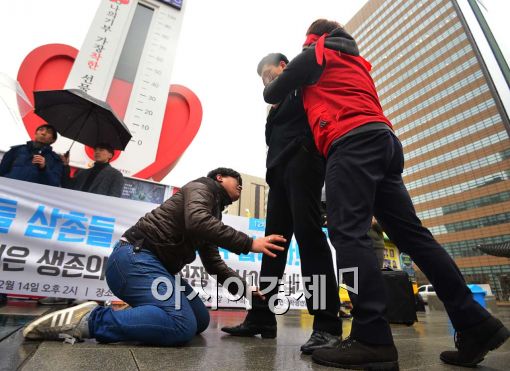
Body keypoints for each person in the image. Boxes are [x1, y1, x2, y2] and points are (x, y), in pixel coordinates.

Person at [263, 19, 509, 370]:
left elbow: (272, 94)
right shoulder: (356, 63)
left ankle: (367, 335)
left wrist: (287, 77)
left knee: (343, 235)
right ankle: (476, 323)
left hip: (346, 144)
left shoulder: (315, 54)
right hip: (381, 141)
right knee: (414, 237)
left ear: (310, 40)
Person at [22, 168, 286, 346]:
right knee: (180, 324)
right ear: (218, 178)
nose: (239, 183)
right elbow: (196, 221)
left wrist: (244, 291)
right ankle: (90, 320)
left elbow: (213, 264)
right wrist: (249, 242)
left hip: (158, 269)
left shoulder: (212, 214)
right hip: (134, 259)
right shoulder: (202, 187)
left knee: (200, 320)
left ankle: (143, 310)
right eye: (234, 179)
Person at [221, 53, 341, 354]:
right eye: (261, 76)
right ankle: (262, 317)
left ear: (284, 67)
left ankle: (327, 324)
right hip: (278, 174)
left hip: (304, 163)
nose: (266, 78)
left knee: (310, 236)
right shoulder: (274, 108)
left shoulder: (303, 83)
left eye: (269, 71)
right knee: (273, 244)